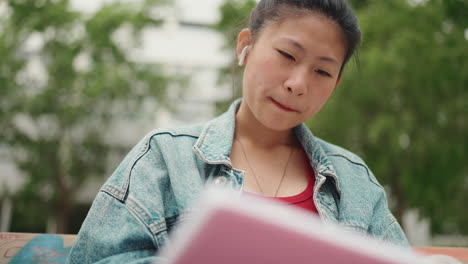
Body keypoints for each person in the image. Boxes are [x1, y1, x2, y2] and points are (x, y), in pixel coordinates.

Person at [67, 0, 409, 263]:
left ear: (336, 83)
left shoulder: (354, 181)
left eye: (322, 72)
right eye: (287, 54)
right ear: (245, 45)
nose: (298, 84)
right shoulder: (165, 158)